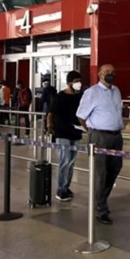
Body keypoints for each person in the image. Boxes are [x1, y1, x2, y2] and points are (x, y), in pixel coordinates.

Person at [77, 64, 124, 225]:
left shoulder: (116, 91)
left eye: (113, 72)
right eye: (107, 72)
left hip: (116, 137)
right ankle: (100, 209)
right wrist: (92, 132)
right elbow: (81, 116)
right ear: (99, 74)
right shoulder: (92, 93)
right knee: (100, 174)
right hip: (99, 137)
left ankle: (101, 200)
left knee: (115, 169)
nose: (110, 75)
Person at [47, 71, 84, 202]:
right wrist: (50, 127)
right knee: (64, 160)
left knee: (71, 162)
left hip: (75, 132)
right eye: (76, 81)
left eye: (80, 80)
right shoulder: (60, 96)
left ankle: (66, 186)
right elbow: (51, 113)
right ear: (69, 83)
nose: (79, 84)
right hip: (62, 132)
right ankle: (61, 189)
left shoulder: (79, 97)